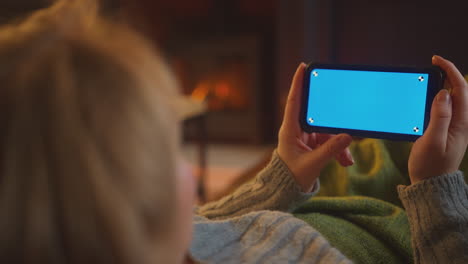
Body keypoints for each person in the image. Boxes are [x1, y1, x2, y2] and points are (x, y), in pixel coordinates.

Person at [0, 1, 466, 263]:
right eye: (170, 156)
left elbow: (203, 226)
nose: (189, 172)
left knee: (397, 139)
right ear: (135, 222)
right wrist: (435, 187)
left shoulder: (133, 244)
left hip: (309, 199)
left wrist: (284, 174)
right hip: (412, 228)